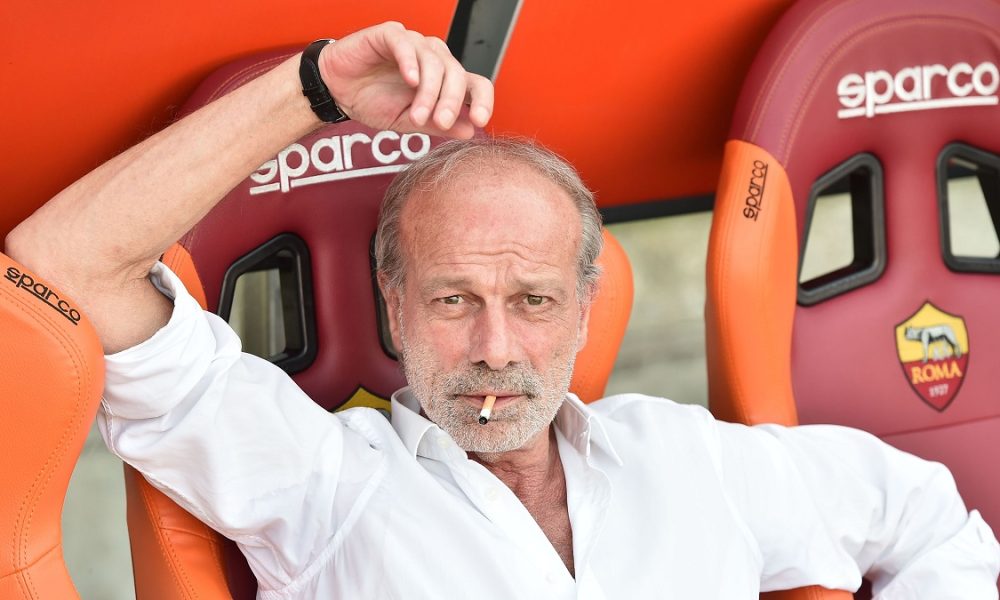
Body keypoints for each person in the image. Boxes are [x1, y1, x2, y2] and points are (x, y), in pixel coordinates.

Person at [6, 21, 999, 599]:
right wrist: (315, 88)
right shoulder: (322, 483)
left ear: (585, 306)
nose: (494, 348)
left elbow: (929, 518)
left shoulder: (690, 459)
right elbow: (66, 264)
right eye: (453, 299)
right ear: (394, 301)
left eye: (533, 300)